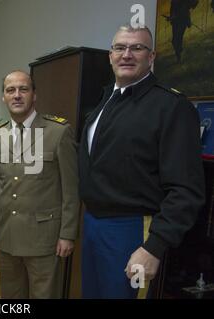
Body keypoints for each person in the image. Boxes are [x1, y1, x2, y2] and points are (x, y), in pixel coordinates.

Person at [78, 25, 205, 299]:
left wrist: (154, 246)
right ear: (110, 56)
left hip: (132, 232)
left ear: (152, 57)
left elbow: (187, 189)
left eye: (137, 48)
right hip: (92, 225)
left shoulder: (171, 107)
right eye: (120, 48)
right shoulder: (104, 102)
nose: (127, 54)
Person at [0, 71, 80, 299]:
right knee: (11, 297)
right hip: (7, 236)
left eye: (23, 89)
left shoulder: (58, 132)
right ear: (3, 97)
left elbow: (71, 190)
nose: (17, 95)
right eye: (10, 90)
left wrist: (67, 234)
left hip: (44, 239)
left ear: (34, 95)